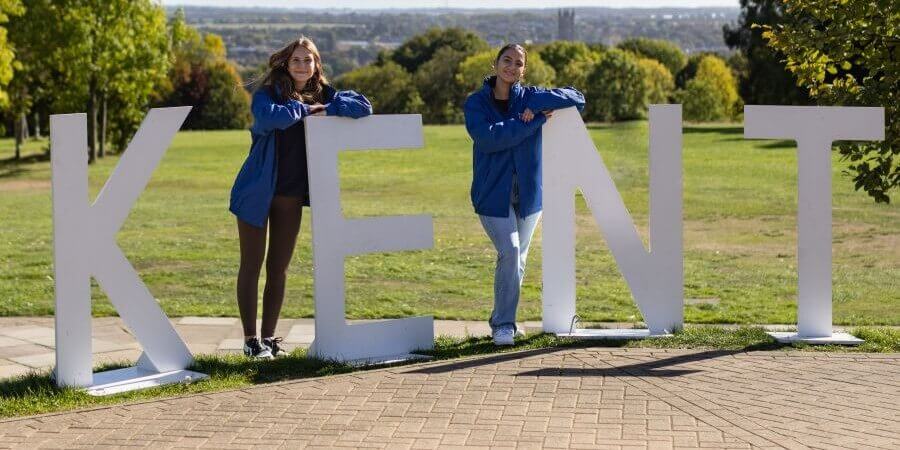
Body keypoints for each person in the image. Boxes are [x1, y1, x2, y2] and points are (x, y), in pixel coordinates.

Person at [229, 37, 372, 359]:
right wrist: (308, 110)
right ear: (285, 63)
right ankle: (251, 340)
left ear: (316, 65)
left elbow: (363, 107)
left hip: (290, 194)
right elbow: (271, 119)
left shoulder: (324, 93)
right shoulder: (266, 94)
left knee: (278, 268)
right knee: (251, 265)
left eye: (308, 61)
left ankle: (269, 339)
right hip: (256, 190)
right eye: (296, 60)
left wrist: (329, 107)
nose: (302, 66)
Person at [464, 44, 585, 346]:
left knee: (517, 260)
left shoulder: (531, 96)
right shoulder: (476, 103)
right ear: (495, 64)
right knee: (510, 251)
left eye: (518, 64)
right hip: (492, 195)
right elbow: (490, 138)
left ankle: (503, 320)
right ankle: (503, 325)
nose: (512, 67)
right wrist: (534, 121)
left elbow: (578, 98)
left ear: (523, 70)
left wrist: (545, 105)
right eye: (507, 61)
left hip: (530, 196)